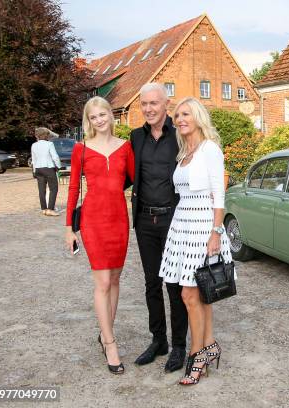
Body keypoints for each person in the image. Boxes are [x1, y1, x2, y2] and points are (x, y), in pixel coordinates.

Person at [158, 97, 233, 386]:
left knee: (190, 295)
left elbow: (219, 193)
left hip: (203, 226)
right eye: (177, 115)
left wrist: (216, 232)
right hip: (182, 225)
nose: (179, 119)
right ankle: (210, 344)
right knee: (199, 293)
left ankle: (197, 355)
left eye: (185, 114)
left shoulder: (209, 149)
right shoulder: (184, 152)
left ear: (198, 117)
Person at [65, 96, 135, 374]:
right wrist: (69, 228)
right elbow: (72, 190)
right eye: (93, 117)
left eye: (102, 114)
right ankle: (110, 342)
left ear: (110, 115)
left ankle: (106, 332)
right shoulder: (80, 149)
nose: (99, 120)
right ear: (89, 121)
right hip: (93, 220)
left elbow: (133, 179)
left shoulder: (126, 147)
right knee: (103, 281)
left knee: (116, 278)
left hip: (119, 217)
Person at [129, 83, 188, 372]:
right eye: (144, 104)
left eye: (154, 103)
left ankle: (179, 346)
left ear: (167, 104)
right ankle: (158, 341)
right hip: (144, 221)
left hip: (174, 220)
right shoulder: (135, 137)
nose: (149, 109)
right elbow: (126, 176)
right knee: (152, 283)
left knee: (175, 285)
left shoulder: (180, 135)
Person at [31, 127, 62, 216]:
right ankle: (50, 209)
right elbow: (55, 156)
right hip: (48, 168)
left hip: (38, 169)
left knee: (41, 190)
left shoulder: (34, 145)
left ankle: (44, 209)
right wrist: (59, 166)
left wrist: (34, 171)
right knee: (53, 188)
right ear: (45, 135)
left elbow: (34, 159)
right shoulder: (49, 144)